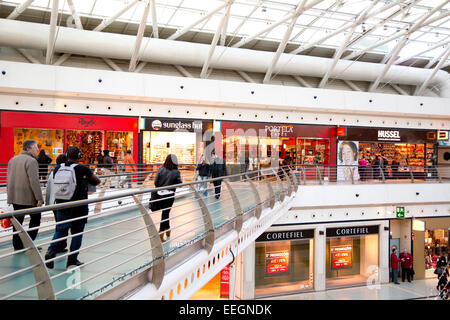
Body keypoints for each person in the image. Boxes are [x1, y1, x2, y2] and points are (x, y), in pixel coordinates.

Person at [45, 146, 100, 269]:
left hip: (62, 204)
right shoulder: (81, 168)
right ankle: (72, 260)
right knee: (77, 233)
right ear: (79, 156)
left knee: (60, 230)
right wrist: (85, 179)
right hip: (78, 206)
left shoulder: (58, 168)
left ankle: (51, 251)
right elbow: (97, 181)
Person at [7, 139, 44, 251]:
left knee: (18, 223)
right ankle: (29, 244)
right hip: (28, 198)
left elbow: (9, 178)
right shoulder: (31, 161)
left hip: (15, 197)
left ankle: (17, 246)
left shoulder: (12, 160)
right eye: (35, 147)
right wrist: (39, 198)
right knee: (36, 219)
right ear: (29, 148)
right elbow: (34, 181)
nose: (37, 149)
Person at [154, 154, 182, 242]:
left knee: (165, 212)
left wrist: (161, 187)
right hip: (170, 195)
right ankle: (161, 233)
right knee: (165, 213)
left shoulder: (161, 169)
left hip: (160, 194)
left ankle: (168, 229)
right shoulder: (176, 172)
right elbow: (180, 184)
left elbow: (156, 182)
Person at [45, 154, 68, 253]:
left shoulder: (52, 173)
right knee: (62, 226)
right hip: (62, 202)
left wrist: (47, 203)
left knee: (59, 224)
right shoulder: (67, 172)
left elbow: (48, 189)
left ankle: (60, 245)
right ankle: (55, 247)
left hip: (54, 202)